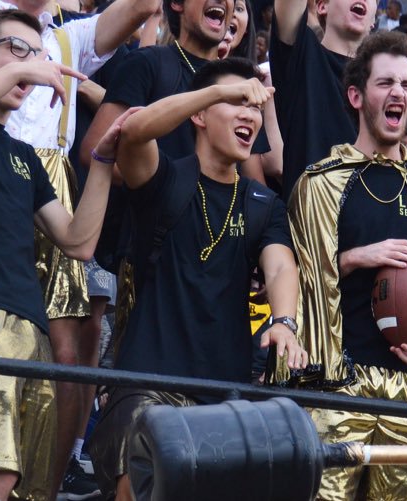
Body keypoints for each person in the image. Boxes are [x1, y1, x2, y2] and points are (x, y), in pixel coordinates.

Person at [0, 1, 157, 493]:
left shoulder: (23, 159)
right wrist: (27, 64)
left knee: (28, 487)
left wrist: (101, 161)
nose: (34, 66)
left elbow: (77, 241)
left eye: (39, 55)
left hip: (29, 325)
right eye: (17, 51)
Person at [274, 32, 407, 501]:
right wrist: (356, 257)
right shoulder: (320, 182)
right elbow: (299, 280)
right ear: (356, 95)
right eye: (385, 82)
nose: (398, 93)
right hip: (336, 383)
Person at [86, 59, 305, 501]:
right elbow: (134, 130)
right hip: (148, 382)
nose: (250, 114)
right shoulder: (164, 175)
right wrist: (216, 91)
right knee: (140, 480)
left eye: (254, 106)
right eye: (236, 102)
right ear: (201, 115)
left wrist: (285, 321)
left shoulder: (263, 202)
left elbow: (281, 265)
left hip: (222, 395)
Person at [271, 0, 407, 197]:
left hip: (378, 217)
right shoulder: (299, 54)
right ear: (322, 6)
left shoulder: (395, 66)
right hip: (311, 219)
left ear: (373, 19)